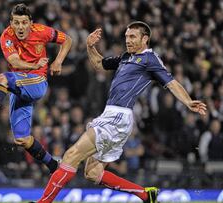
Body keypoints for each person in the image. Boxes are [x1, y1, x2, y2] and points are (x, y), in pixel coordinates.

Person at [34, 21, 206, 203]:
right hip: (112, 116)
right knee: (93, 173)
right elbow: (99, 64)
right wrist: (90, 46)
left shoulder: (150, 59)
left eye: (132, 37)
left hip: (118, 116)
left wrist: (188, 101)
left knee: (70, 155)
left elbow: (171, 82)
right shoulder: (126, 57)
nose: (128, 40)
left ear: (145, 39)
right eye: (126, 37)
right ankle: (146, 195)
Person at [0, 3, 72, 173]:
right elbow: (14, 62)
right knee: (22, 140)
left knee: (2, 78)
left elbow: (67, 40)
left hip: (37, 82)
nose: (20, 27)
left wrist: (58, 61)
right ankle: (53, 165)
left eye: (24, 22)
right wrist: (33, 65)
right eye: (16, 22)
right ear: (11, 23)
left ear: (31, 23)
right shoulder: (6, 36)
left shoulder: (42, 31)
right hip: (20, 85)